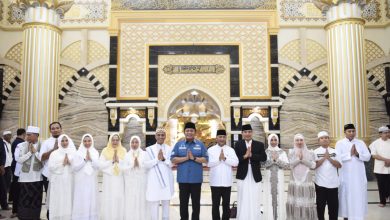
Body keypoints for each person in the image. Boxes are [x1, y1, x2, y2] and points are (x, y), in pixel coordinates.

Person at [171, 122, 208, 220]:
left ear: (195, 132)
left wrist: (194, 158)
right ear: (184, 132)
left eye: (191, 130)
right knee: (183, 204)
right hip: (183, 180)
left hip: (196, 180)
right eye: (187, 130)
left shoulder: (200, 144)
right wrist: (186, 158)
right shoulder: (178, 144)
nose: (189, 132)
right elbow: (173, 159)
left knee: (196, 204)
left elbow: (206, 159)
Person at [335, 124, 371, 220]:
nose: (352, 133)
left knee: (358, 196)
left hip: (358, 176)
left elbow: (368, 157)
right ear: (345, 132)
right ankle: (346, 217)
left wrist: (358, 154)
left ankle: (358, 216)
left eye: (353, 131)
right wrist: (349, 154)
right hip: (346, 176)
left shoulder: (360, 143)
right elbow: (337, 158)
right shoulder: (340, 143)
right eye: (349, 131)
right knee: (346, 196)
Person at [234, 124, 267, 220]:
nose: (247, 134)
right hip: (242, 174)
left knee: (255, 196)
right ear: (242, 133)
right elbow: (235, 159)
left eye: (249, 132)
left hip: (255, 174)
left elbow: (264, 158)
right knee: (243, 196)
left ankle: (255, 217)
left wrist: (252, 155)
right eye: (245, 132)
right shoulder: (238, 144)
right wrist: (245, 156)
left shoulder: (259, 144)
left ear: (252, 132)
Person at [207, 129, 238, 220]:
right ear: (216, 138)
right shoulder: (211, 150)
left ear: (226, 138)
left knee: (226, 205)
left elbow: (236, 162)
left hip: (227, 182)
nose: (222, 139)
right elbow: (208, 163)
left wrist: (225, 159)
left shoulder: (231, 150)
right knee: (215, 205)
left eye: (223, 137)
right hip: (215, 182)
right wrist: (218, 159)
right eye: (220, 137)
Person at [144, 127, 174, 220]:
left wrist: (164, 159)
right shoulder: (149, 149)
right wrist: (157, 159)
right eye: (158, 135)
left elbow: (172, 164)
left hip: (166, 182)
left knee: (166, 206)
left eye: (162, 135)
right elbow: (146, 165)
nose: (161, 136)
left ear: (165, 136)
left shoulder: (170, 149)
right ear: (155, 136)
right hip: (154, 182)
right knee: (154, 206)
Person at [286, 134, 317, 220]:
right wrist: (298, 159)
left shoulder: (310, 152)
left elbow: (313, 166)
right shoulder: (291, 152)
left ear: (304, 141)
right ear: (294, 141)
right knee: (296, 199)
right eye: (297, 140)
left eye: (301, 140)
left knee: (306, 199)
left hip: (306, 178)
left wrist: (303, 160)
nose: (299, 142)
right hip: (294, 178)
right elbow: (289, 166)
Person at [16, 126, 43, 220]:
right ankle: (23, 217)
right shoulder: (22, 145)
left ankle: (35, 217)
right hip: (24, 178)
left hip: (37, 178)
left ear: (36, 136)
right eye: (27, 135)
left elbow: (43, 160)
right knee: (24, 200)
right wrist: (30, 153)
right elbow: (19, 160)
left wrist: (35, 152)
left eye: (29, 135)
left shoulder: (42, 145)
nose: (27, 137)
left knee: (36, 200)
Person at [121, 135, 150, 220]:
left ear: (139, 143)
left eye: (136, 142)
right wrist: (132, 166)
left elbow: (147, 167)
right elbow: (123, 169)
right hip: (130, 183)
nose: (134, 144)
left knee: (141, 201)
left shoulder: (145, 154)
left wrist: (139, 165)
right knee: (131, 201)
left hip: (141, 182)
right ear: (130, 143)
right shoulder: (127, 155)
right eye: (133, 142)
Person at [314, 131, 342, 220]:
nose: (324, 139)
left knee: (333, 208)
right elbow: (314, 166)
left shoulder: (335, 151)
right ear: (319, 141)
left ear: (329, 140)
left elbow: (339, 165)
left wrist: (329, 158)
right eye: (322, 138)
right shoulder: (315, 152)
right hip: (320, 184)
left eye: (326, 137)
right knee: (320, 207)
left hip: (333, 184)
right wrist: (324, 158)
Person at [71, 134, 100, 220]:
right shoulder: (78, 153)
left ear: (92, 141)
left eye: (89, 141)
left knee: (91, 198)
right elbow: (75, 168)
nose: (87, 143)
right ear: (82, 142)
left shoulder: (95, 152)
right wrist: (84, 160)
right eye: (85, 141)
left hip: (91, 180)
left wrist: (91, 159)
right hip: (81, 180)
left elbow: (97, 166)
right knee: (81, 198)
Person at [48, 134, 76, 220]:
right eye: (62, 141)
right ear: (59, 142)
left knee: (69, 198)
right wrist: (62, 164)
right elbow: (51, 167)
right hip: (58, 180)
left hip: (70, 180)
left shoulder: (74, 152)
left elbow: (78, 167)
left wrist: (70, 163)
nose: (64, 143)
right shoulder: (54, 153)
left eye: (66, 140)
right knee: (59, 199)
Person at [262, 133, 289, 220]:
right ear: (269, 141)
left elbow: (287, 165)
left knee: (279, 195)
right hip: (268, 177)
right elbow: (262, 164)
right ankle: (270, 217)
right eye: (272, 140)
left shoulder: (282, 152)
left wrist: (276, 160)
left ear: (278, 141)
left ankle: (279, 217)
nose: (273, 142)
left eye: (275, 140)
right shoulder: (265, 152)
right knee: (269, 196)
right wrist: (272, 160)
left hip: (279, 177)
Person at [99, 133, 126, 220]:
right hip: (109, 178)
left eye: (116, 140)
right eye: (113, 140)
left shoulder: (123, 150)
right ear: (110, 140)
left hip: (119, 178)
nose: (115, 142)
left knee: (118, 197)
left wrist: (119, 161)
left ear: (119, 141)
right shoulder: (105, 150)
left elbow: (126, 165)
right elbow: (101, 165)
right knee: (109, 197)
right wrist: (111, 161)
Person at [39, 122, 63, 219]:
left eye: (57, 128)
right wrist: (53, 149)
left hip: (63, 174)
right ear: (50, 131)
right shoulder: (46, 142)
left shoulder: (67, 140)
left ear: (61, 129)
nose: (55, 130)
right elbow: (42, 157)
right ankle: (50, 216)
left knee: (61, 196)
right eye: (53, 128)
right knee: (50, 197)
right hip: (49, 174)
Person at [369, 126, 390, 207]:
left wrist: (389, 161)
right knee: (381, 186)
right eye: (385, 133)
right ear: (380, 134)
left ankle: (387, 195)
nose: (387, 134)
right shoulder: (375, 143)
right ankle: (382, 201)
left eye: (388, 132)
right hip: (380, 168)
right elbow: (374, 155)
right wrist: (386, 160)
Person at [10, 128, 25, 215]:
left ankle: (16, 210)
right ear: (24, 134)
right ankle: (15, 210)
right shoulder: (19, 143)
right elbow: (18, 158)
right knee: (17, 190)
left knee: (16, 189)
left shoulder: (15, 141)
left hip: (15, 166)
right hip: (17, 168)